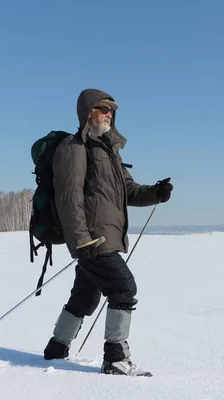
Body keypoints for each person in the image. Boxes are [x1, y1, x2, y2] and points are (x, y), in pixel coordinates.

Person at [42, 88, 173, 377]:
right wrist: (81, 240)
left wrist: (156, 193)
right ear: (88, 111)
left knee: (84, 298)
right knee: (124, 288)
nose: (109, 113)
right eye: (103, 108)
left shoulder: (109, 150)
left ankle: (56, 349)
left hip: (105, 238)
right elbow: (69, 197)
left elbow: (129, 190)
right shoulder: (73, 148)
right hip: (92, 239)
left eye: (112, 109)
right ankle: (115, 358)